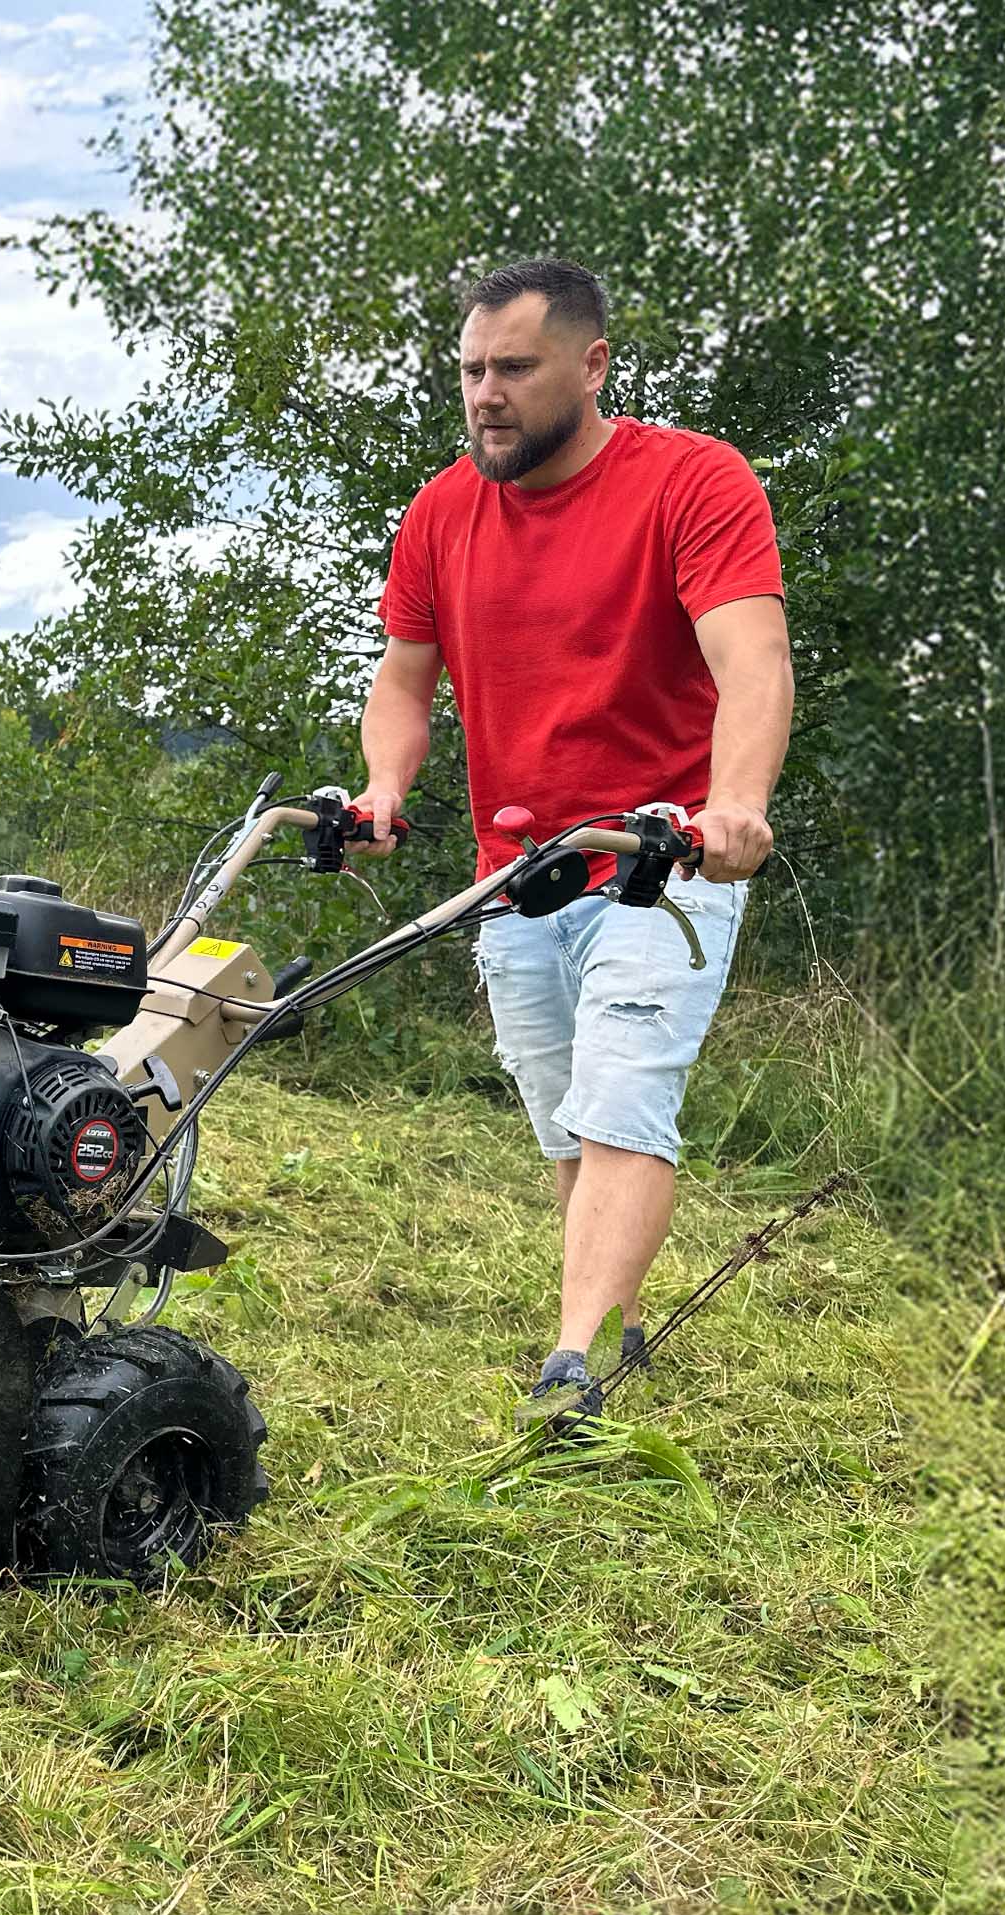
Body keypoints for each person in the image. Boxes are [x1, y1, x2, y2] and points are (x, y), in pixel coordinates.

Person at [352, 258, 793, 1421]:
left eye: (511, 367)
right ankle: (620, 1314)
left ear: (590, 364)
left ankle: (568, 1367)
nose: (482, 394)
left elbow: (750, 658)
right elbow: (402, 681)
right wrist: (382, 785)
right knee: (563, 1114)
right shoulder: (443, 511)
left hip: (661, 857)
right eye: (468, 371)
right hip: (519, 877)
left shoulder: (691, 482)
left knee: (620, 1099)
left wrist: (733, 802)